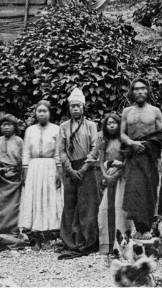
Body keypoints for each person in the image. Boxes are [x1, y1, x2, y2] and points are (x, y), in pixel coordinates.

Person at [57, 88, 100, 260]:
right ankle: (70, 242)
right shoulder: (63, 127)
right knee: (70, 205)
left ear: (83, 107)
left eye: (78, 106)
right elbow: (61, 151)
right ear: (69, 108)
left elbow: (95, 148)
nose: (75, 109)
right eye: (73, 106)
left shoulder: (91, 126)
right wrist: (70, 169)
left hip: (86, 169)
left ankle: (88, 241)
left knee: (87, 206)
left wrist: (82, 169)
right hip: (70, 169)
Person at [120, 78, 162, 239]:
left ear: (148, 91)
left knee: (149, 190)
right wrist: (132, 143)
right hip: (133, 156)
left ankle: (147, 228)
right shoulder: (127, 112)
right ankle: (138, 228)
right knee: (134, 190)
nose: (140, 91)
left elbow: (159, 135)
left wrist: (148, 145)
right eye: (136, 89)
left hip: (149, 156)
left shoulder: (155, 111)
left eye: (143, 89)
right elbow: (122, 134)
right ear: (132, 92)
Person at [18, 100, 63, 249]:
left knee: (50, 199)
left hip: (50, 166)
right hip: (34, 167)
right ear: (35, 113)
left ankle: (50, 236)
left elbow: (58, 152)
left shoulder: (56, 129)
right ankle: (35, 237)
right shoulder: (30, 130)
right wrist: (25, 170)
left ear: (49, 113)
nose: (42, 113)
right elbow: (26, 152)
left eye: (45, 111)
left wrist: (58, 172)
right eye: (39, 111)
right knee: (35, 198)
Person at [93, 113, 131, 255]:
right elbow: (101, 160)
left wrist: (118, 171)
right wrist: (105, 175)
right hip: (109, 177)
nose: (111, 126)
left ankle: (121, 245)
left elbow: (127, 160)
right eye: (108, 124)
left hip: (121, 177)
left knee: (120, 209)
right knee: (104, 210)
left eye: (114, 123)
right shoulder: (104, 141)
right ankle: (106, 245)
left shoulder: (124, 141)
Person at [0, 113, 25, 250]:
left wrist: (18, 173)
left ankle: (11, 233)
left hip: (14, 178)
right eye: (4, 125)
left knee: (13, 207)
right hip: (0, 177)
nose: (6, 128)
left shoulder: (19, 141)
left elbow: (23, 160)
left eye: (9, 125)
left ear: (15, 127)